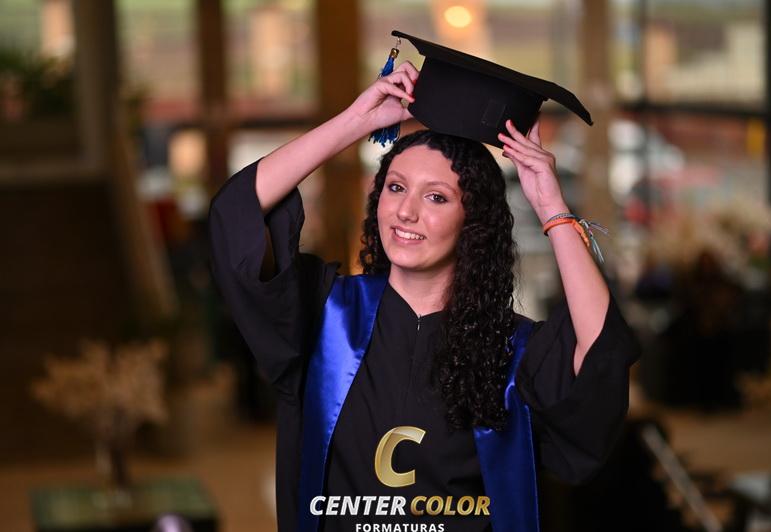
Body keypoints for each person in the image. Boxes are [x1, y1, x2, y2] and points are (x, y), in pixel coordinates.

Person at [209, 44, 640, 532]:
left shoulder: (511, 350)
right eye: (396, 187)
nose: (406, 212)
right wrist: (355, 123)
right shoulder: (326, 317)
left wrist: (551, 208)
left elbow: (602, 354)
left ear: (473, 223)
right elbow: (237, 217)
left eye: (436, 197)